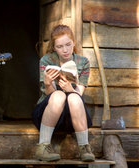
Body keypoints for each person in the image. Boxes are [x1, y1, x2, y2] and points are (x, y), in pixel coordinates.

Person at [32, 25, 95, 162]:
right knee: (58, 95)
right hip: (48, 114)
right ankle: (43, 146)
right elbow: (50, 96)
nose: (65, 50)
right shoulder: (46, 60)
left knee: (73, 97)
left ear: (73, 42)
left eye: (68, 44)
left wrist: (70, 89)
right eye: (60, 46)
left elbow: (80, 92)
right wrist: (48, 83)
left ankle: (84, 147)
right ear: (54, 47)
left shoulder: (83, 62)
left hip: (72, 116)